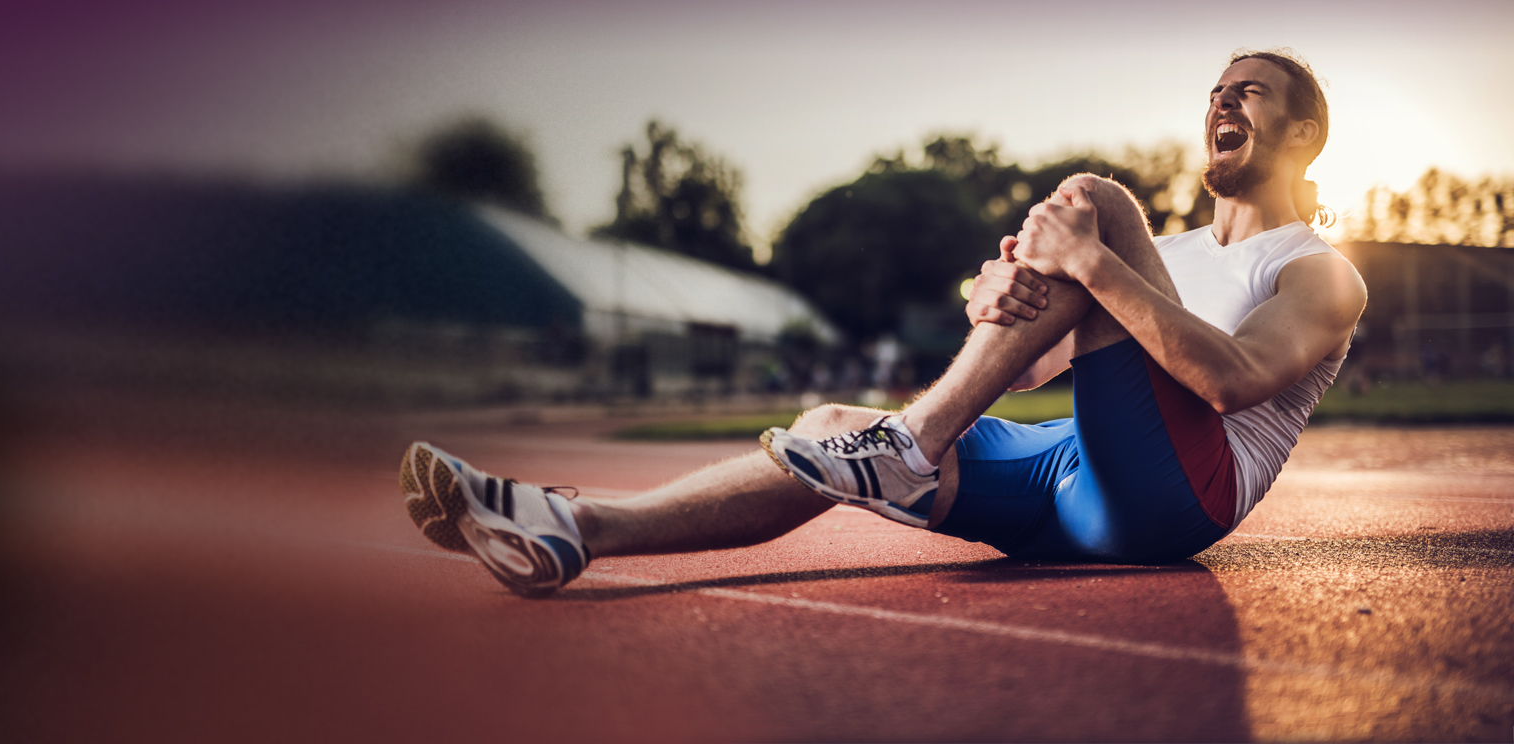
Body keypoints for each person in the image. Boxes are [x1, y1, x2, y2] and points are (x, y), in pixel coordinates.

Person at [400, 49, 1367, 598]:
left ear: (1301, 132)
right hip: (1072, 470)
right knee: (829, 429)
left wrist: (1091, 256)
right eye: (1214, 92)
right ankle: (576, 529)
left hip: (1179, 499)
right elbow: (1042, 370)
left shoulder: (1319, 274)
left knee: (1094, 199)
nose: (1219, 103)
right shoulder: (1179, 259)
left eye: (1247, 92)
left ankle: (905, 442)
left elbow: (1233, 380)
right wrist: (1006, 305)